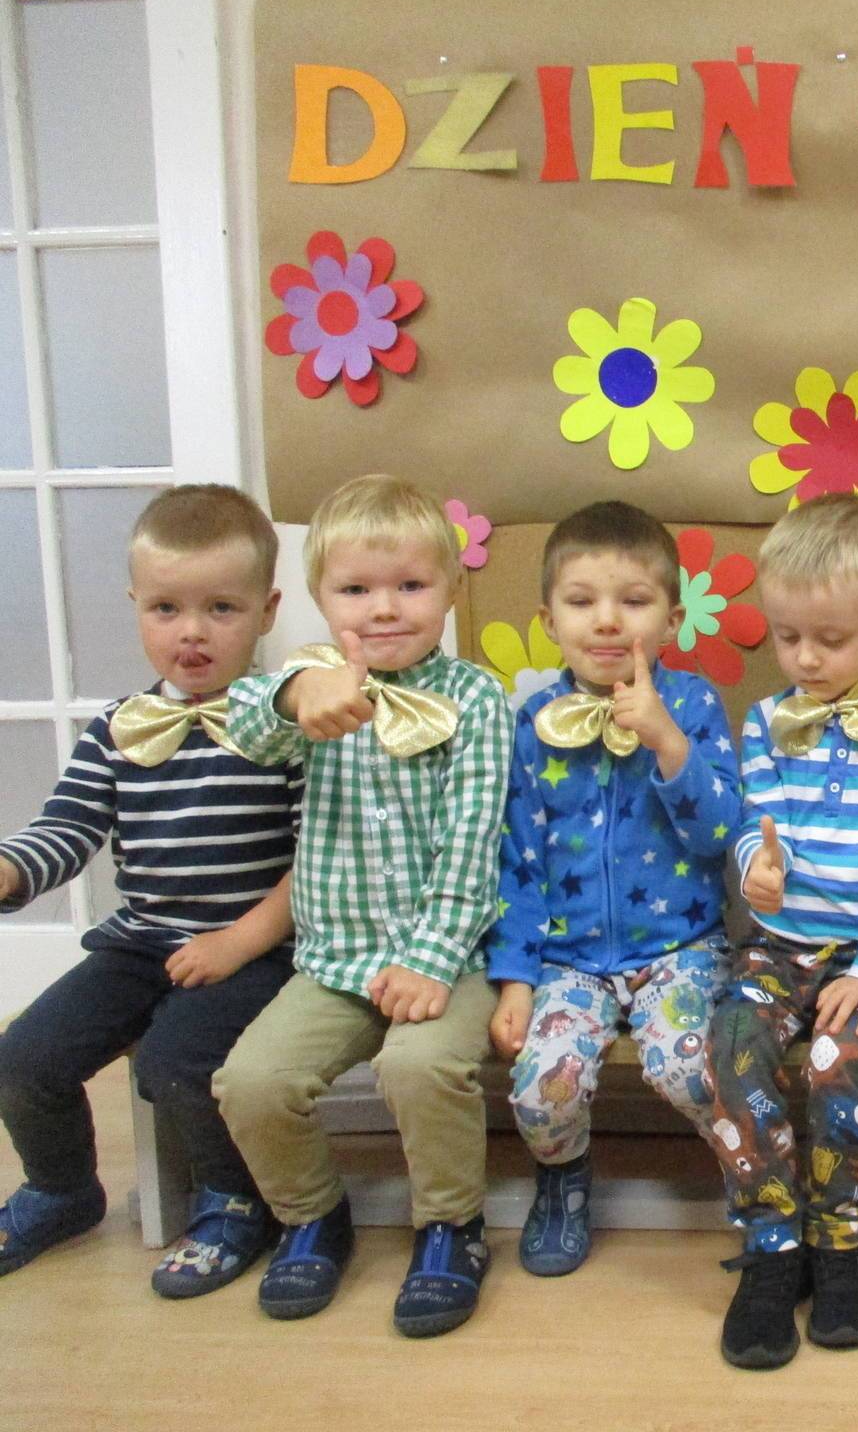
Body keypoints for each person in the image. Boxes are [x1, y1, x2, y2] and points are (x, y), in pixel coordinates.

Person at [214, 474, 511, 1338]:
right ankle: (312, 1214)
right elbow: (245, 724)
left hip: (451, 957)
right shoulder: (312, 683)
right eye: (355, 590)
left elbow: (472, 847)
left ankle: (450, 1226)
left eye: (410, 585)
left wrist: (430, 960)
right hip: (336, 964)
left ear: (449, 591)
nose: (384, 609)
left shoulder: (476, 700)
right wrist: (293, 696)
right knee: (252, 1082)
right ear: (320, 597)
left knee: (419, 1068)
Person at [0, 485, 300, 1296]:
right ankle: (61, 1190)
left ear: (266, 611)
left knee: (176, 1061)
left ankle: (235, 1200)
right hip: (143, 941)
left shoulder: (288, 728)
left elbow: (316, 862)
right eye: (166, 608)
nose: (191, 631)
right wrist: (11, 870)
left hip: (257, 946)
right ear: (136, 606)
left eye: (220, 608)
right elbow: (67, 826)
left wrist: (237, 942)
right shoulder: (119, 729)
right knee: (23, 1058)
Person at [706, 494, 858, 1368]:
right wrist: (755, 870)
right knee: (734, 1043)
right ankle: (772, 1244)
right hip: (778, 946)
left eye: (831, 639)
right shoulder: (767, 722)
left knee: (842, 1057)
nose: (805, 658)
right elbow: (754, 828)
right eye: (787, 637)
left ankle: (839, 1240)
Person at [486, 501, 739, 1277]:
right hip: (569, 961)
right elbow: (516, 862)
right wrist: (516, 979)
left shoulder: (692, 705)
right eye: (581, 601)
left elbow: (721, 833)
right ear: (548, 620)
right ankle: (563, 1176)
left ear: (671, 619)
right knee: (542, 1089)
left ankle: (756, 1172)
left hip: (681, 948)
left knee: (690, 1068)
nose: (606, 621)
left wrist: (666, 740)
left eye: (633, 601)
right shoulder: (534, 722)